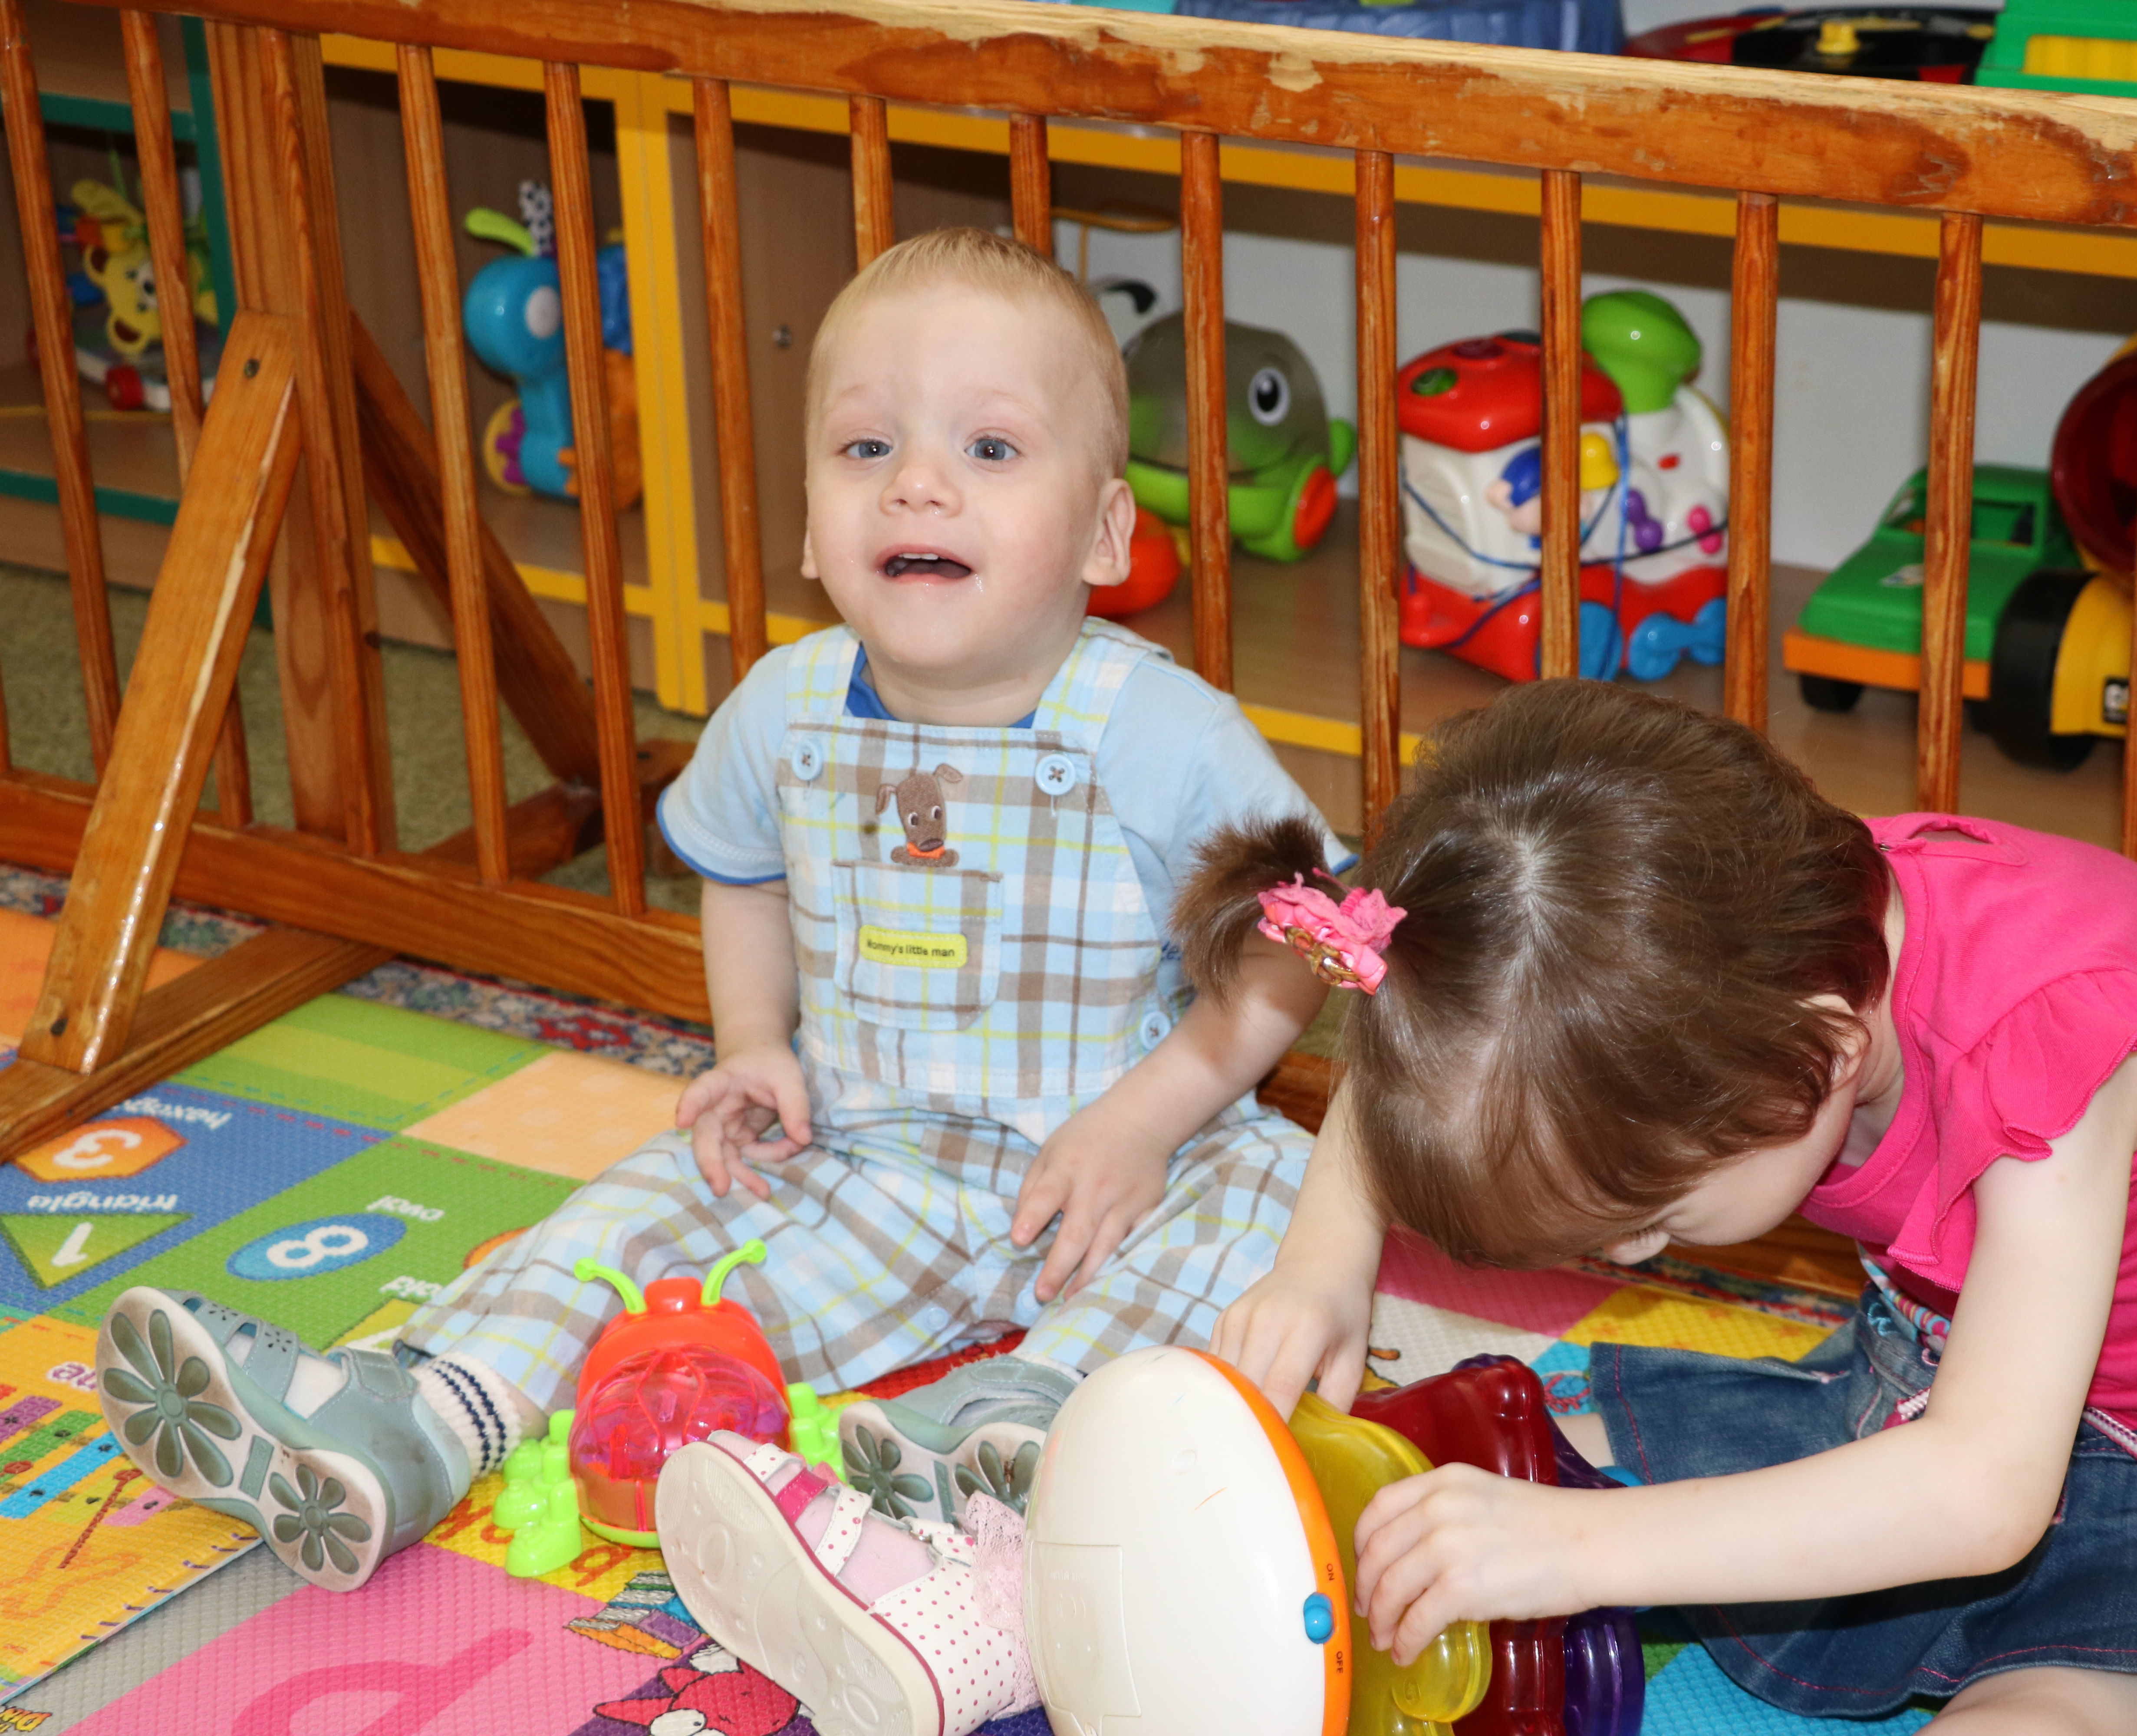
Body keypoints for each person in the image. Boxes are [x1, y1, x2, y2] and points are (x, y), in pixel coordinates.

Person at [96, 229, 1336, 1638]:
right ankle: (417, 1414)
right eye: (867, 448)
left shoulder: (1160, 728)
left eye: (990, 449)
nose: (918, 483)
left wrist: (1148, 1117)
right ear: (811, 528)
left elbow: (1310, 937)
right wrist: (754, 1043)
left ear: (1108, 534)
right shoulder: (785, 710)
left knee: (1279, 1199)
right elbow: (741, 876)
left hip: (1120, 1179)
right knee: (646, 1213)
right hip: (863, 1170)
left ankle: (1036, 1423)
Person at [1194, 679, 2137, 1736]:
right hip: (1944, 1366)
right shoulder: (1738, 935)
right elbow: (1448, 1038)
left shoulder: (2048, 1050)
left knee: (2046, 1711)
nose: (1630, 1255)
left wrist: (1570, 1552)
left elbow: (1982, 1493)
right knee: (1503, 1466)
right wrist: (1322, 1260)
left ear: (1825, 1059)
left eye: (1655, 1216)